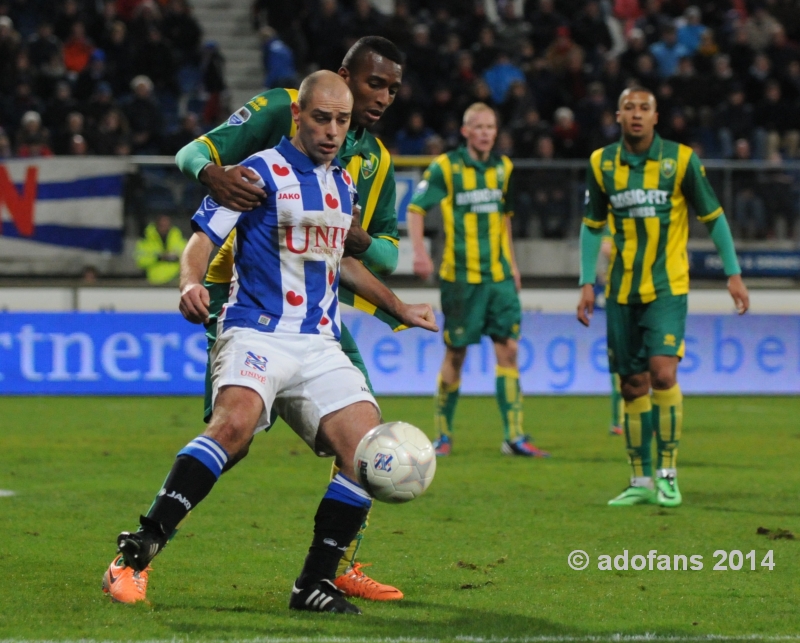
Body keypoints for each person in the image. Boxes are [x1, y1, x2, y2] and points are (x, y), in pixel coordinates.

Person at [102, 71, 438, 613]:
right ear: (300, 115)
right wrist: (189, 283)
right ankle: (136, 553)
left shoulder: (342, 185)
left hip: (319, 340)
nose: (332, 131)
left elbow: (341, 261)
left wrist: (398, 307)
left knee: (363, 448)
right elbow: (201, 241)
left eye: (342, 121)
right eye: (322, 118)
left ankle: (314, 583)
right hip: (257, 329)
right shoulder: (257, 171)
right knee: (233, 427)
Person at [173, 36, 405, 601]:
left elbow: (389, 254)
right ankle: (145, 545)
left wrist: (363, 241)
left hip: (319, 307)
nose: (383, 97)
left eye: (393, 89)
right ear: (344, 76)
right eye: (375, 83)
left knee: (363, 435)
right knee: (235, 437)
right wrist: (213, 177)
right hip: (246, 296)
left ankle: (336, 564)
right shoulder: (284, 107)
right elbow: (191, 154)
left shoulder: (373, 159)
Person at [577, 86, 749, 508]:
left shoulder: (681, 160)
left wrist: (733, 273)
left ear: (656, 117)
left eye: (644, 108)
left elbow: (714, 216)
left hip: (668, 285)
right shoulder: (601, 163)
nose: (636, 115)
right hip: (620, 290)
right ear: (617, 116)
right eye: (629, 108)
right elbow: (591, 225)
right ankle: (640, 480)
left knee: (663, 374)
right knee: (632, 384)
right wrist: (586, 282)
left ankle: (668, 474)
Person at [407, 102, 549, 459]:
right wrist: (420, 254)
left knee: (510, 350)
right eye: (479, 126)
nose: (486, 132)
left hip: (499, 276)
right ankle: (442, 436)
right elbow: (415, 208)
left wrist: (513, 266)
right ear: (466, 131)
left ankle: (514, 437)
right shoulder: (447, 167)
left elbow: (505, 218)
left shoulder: (504, 168)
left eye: (491, 126)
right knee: (456, 353)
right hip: (461, 278)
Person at [135, 214, 187, 285]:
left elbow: (190, 259)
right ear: (156, 225)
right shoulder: (145, 242)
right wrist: (158, 258)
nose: (164, 228)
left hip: (176, 281)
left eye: (166, 225)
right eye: (161, 225)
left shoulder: (179, 240)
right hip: (154, 281)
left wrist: (175, 257)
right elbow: (140, 261)